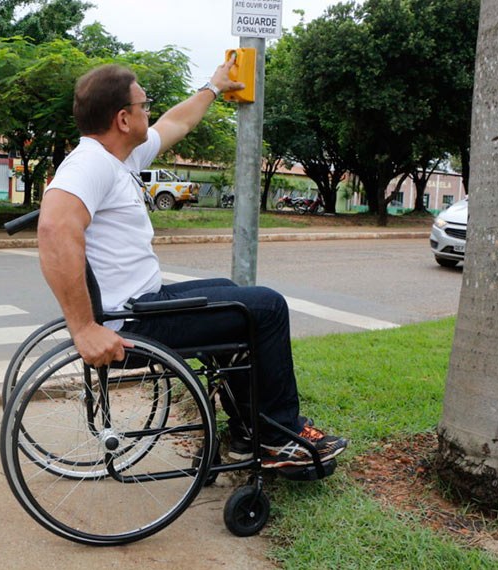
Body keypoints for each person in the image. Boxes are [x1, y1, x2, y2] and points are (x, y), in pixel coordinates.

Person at [37, 56, 348, 469]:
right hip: (133, 322)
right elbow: (55, 229)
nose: (149, 111)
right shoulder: (91, 163)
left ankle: (247, 431)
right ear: (123, 119)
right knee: (268, 307)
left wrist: (214, 86)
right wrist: (84, 329)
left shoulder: (117, 157)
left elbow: (175, 124)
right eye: (143, 104)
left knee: (233, 294)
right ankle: (278, 439)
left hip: (142, 303)